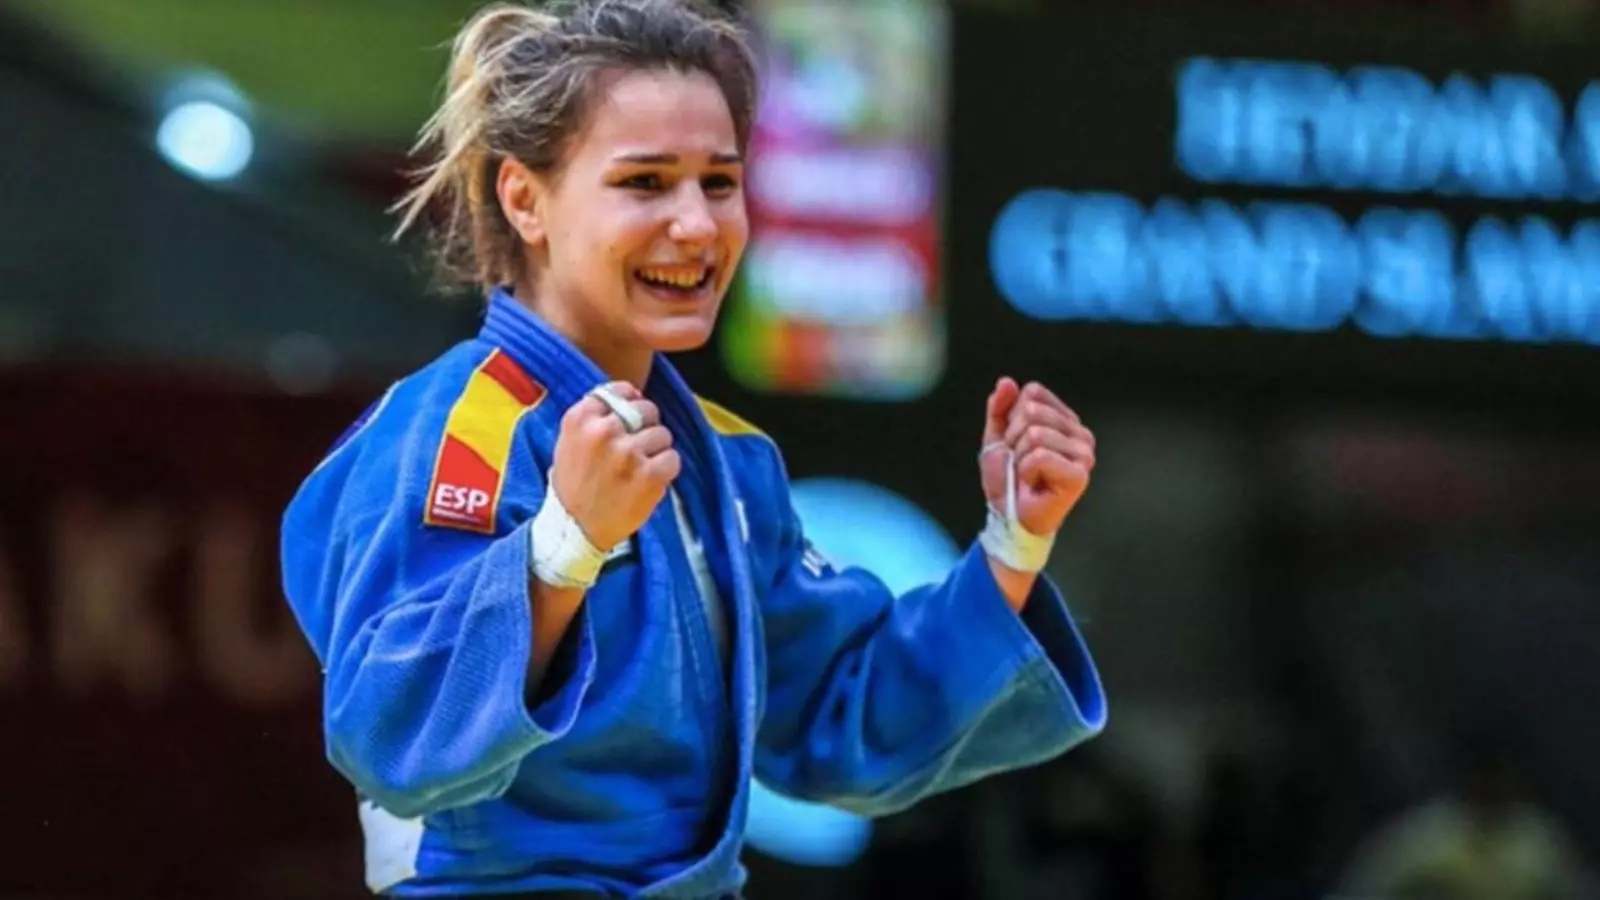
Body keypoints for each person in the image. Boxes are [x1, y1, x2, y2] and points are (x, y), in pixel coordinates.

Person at [278, 1, 1107, 897]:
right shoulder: (458, 434)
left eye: (719, 182)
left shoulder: (728, 460)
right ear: (524, 199)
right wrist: (562, 547)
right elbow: (391, 739)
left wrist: (1012, 545)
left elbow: (837, 718)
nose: (698, 225)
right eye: (645, 182)